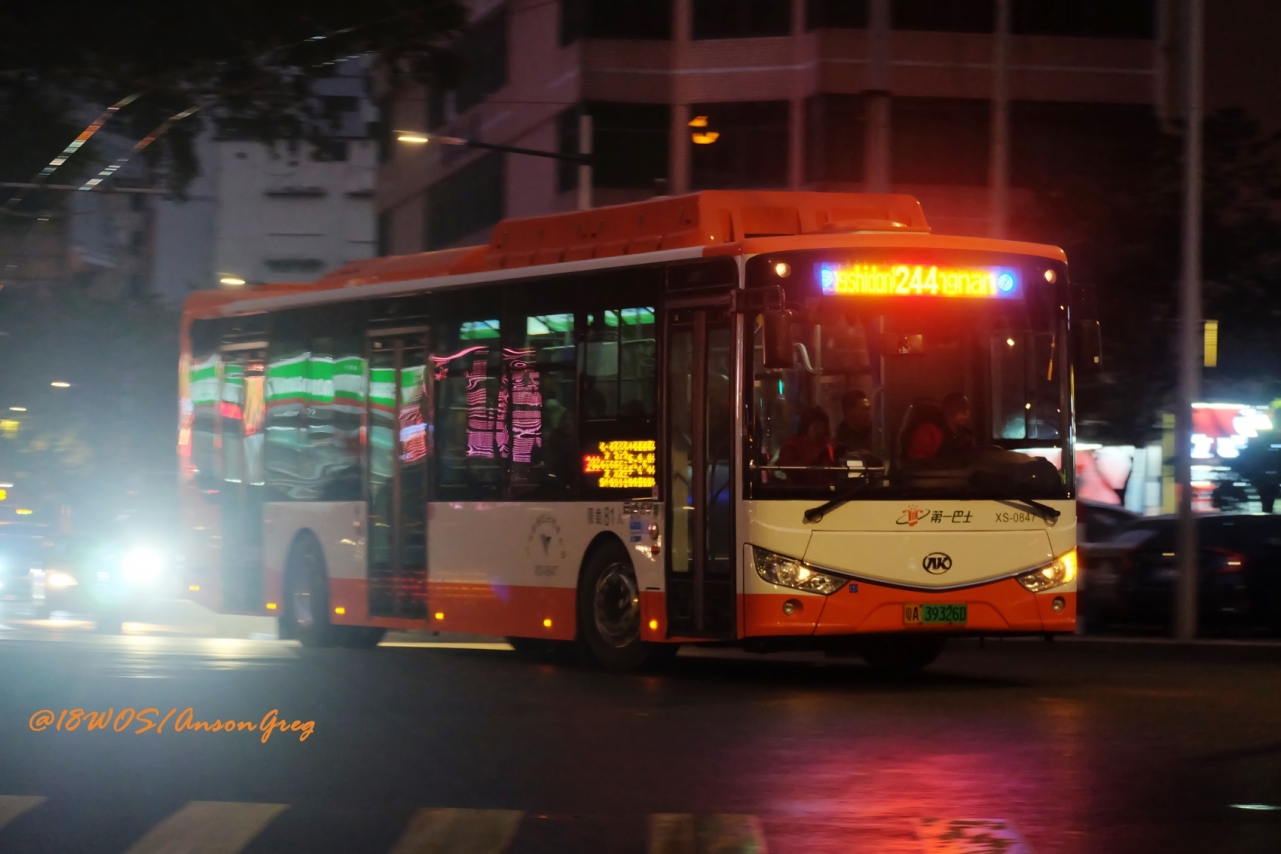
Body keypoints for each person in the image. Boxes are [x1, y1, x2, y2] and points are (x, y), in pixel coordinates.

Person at [905, 392, 974, 460]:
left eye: (968, 408)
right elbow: (917, 462)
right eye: (962, 408)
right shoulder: (928, 431)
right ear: (949, 409)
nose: (966, 413)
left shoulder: (966, 435)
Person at [776, 406, 835, 481]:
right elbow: (788, 469)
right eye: (816, 426)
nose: (820, 430)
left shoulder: (826, 445)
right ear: (806, 426)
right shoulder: (792, 444)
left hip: (825, 487)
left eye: (822, 426)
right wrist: (817, 459)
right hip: (799, 487)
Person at [835, 390, 874, 454]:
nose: (868, 413)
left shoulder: (878, 438)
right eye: (863, 409)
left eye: (868, 409)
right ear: (849, 412)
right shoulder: (839, 445)